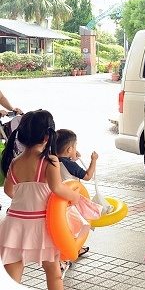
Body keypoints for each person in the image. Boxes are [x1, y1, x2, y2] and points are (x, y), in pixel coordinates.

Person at [0, 109, 80, 290]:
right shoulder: (50, 160)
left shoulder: (15, 162)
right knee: (53, 272)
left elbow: (8, 190)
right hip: (42, 225)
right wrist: (75, 196)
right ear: (47, 136)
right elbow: (57, 188)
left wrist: (25, 202)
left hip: (14, 223)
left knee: (12, 276)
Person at [55, 129, 98, 265]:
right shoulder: (70, 164)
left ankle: (73, 249)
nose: (75, 149)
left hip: (57, 202)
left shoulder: (53, 160)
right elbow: (88, 176)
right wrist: (94, 160)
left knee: (63, 229)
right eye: (75, 147)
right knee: (74, 228)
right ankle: (68, 255)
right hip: (71, 201)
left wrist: (72, 157)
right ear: (69, 149)